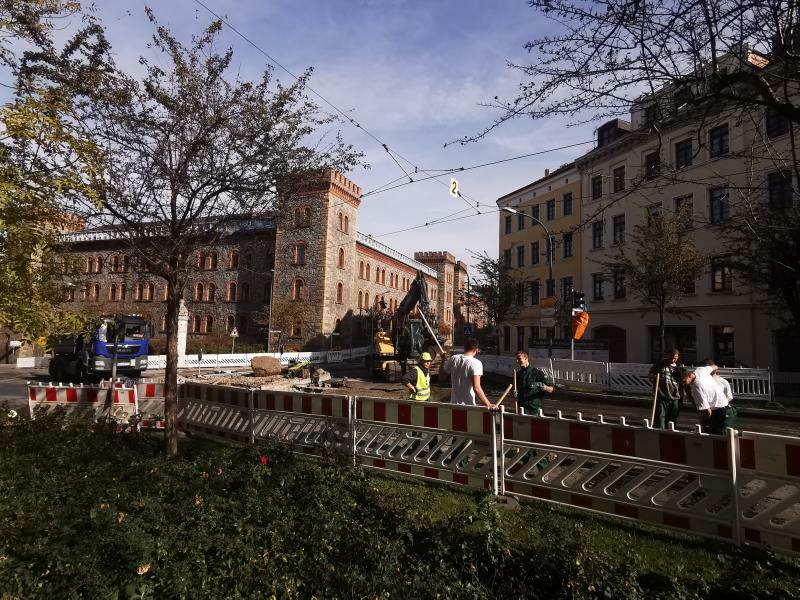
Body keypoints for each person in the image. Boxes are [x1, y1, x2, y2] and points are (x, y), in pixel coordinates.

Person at [679, 364, 736, 434]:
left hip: (720, 414)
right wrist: (712, 378)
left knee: (719, 439)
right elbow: (715, 367)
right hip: (727, 410)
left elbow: (708, 412)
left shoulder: (696, 389)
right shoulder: (700, 370)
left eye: (684, 381)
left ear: (690, 375)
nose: (683, 384)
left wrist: (702, 422)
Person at [442, 338, 496, 409]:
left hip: (454, 404)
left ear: (465, 348)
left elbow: (441, 377)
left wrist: (442, 361)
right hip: (468, 406)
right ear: (477, 350)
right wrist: (489, 404)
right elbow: (476, 388)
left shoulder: (454, 358)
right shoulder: (476, 363)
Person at [648, 349, 682, 429]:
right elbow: (650, 375)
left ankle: (670, 436)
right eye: (671, 358)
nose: (673, 360)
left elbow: (682, 382)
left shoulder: (679, 366)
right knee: (660, 419)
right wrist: (652, 376)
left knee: (671, 420)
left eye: (675, 358)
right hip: (661, 396)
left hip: (674, 397)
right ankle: (660, 435)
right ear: (667, 356)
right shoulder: (660, 364)